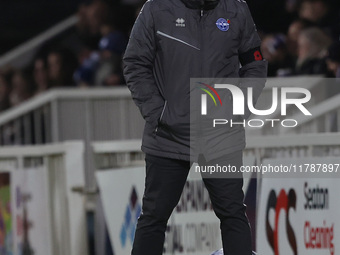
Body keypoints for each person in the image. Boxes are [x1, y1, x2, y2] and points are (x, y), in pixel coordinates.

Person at [123, 0, 267, 255]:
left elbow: (254, 64)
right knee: (154, 217)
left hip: (221, 134)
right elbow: (135, 64)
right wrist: (160, 113)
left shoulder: (237, 9)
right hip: (168, 136)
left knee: (233, 213)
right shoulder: (156, 9)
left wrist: (238, 109)